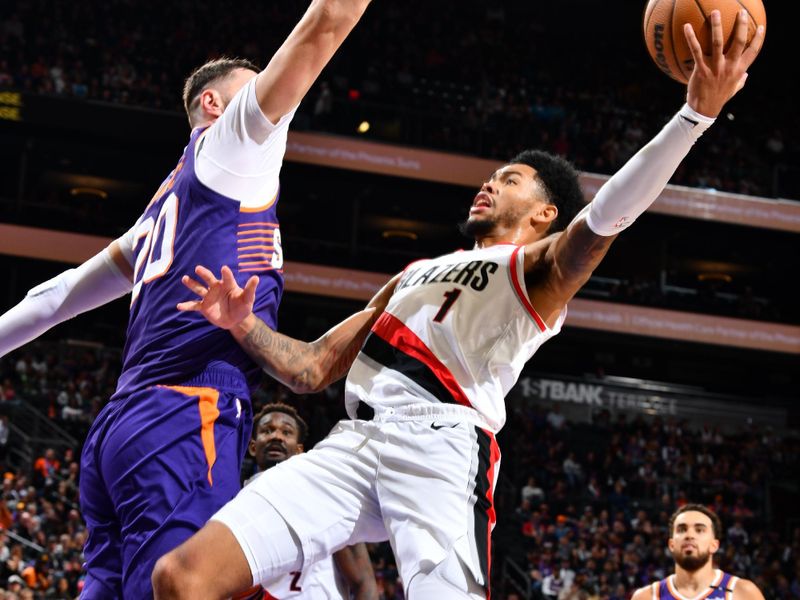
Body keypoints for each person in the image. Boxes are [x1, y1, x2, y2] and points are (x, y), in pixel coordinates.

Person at [152, 10, 764, 600]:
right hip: (353, 442)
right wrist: (243, 324)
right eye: (492, 175)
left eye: (511, 179)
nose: (490, 182)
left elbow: (608, 217)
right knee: (182, 577)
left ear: (546, 214)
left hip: (441, 447)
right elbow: (309, 369)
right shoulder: (413, 274)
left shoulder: (539, 269)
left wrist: (693, 116)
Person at [0, 0, 374, 596]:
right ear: (214, 105)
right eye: (258, 89)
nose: (276, 105)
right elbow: (325, 24)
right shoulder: (234, 146)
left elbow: (54, 298)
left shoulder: (160, 208)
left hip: (119, 429)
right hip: (184, 413)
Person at [235, 403, 378, 600]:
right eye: (267, 431)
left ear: (299, 450)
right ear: (252, 446)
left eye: (287, 432)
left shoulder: (322, 495)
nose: (276, 436)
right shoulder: (235, 502)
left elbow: (363, 584)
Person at [630, 504, 765, 600]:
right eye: (682, 529)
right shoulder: (647, 597)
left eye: (699, 530)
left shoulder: (742, 593)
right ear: (671, 544)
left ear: (714, 545)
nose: (689, 535)